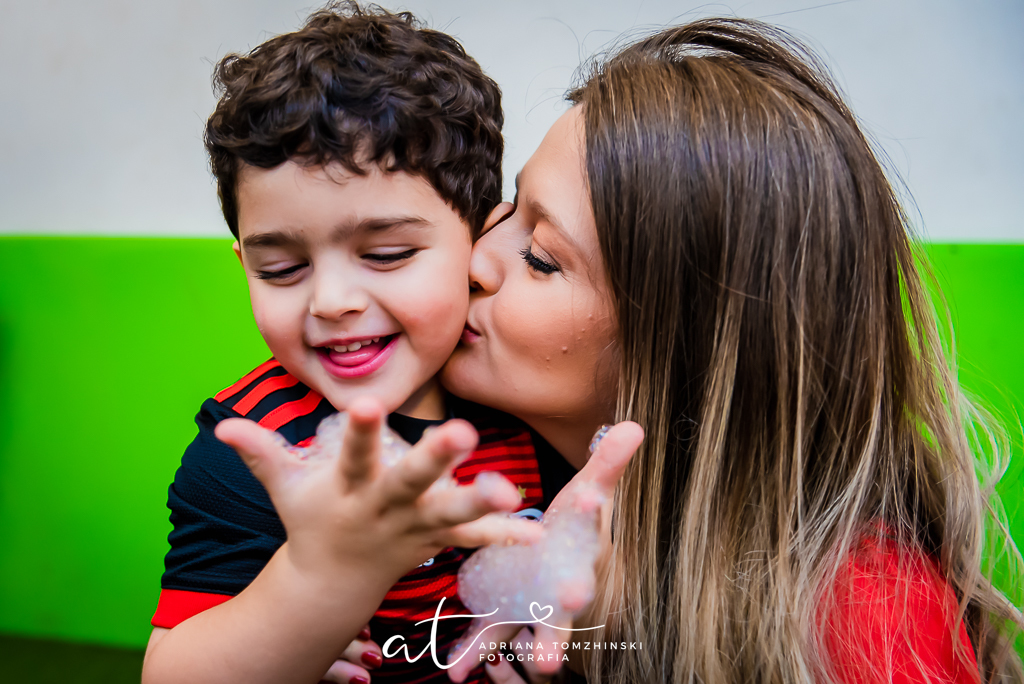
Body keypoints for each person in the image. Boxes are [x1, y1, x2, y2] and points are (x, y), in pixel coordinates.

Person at [438, 17, 1024, 684]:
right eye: (509, 205)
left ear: (685, 352)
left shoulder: (868, 616)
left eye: (541, 259)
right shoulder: (466, 469)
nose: (475, 255)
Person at [140, 4, 592, 684]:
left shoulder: (522, 404)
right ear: (244, 266)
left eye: (384, 253)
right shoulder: (256, 451)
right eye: (282, 269)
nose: (330, 300)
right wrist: (314, 590)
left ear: (477, 239)